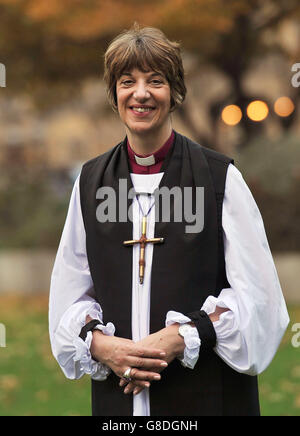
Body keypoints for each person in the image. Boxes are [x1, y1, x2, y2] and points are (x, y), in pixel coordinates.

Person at [49, 23, 289, 416]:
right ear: (115, 94)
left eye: (155, 81)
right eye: (127, 81)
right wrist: (102, 345)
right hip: (119, 407)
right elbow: (69, 294)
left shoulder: (219, 178)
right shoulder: (90, 183)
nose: (140, 93)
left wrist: (181, 337)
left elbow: (260, 302)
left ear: (174, 92)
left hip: (208, 399)